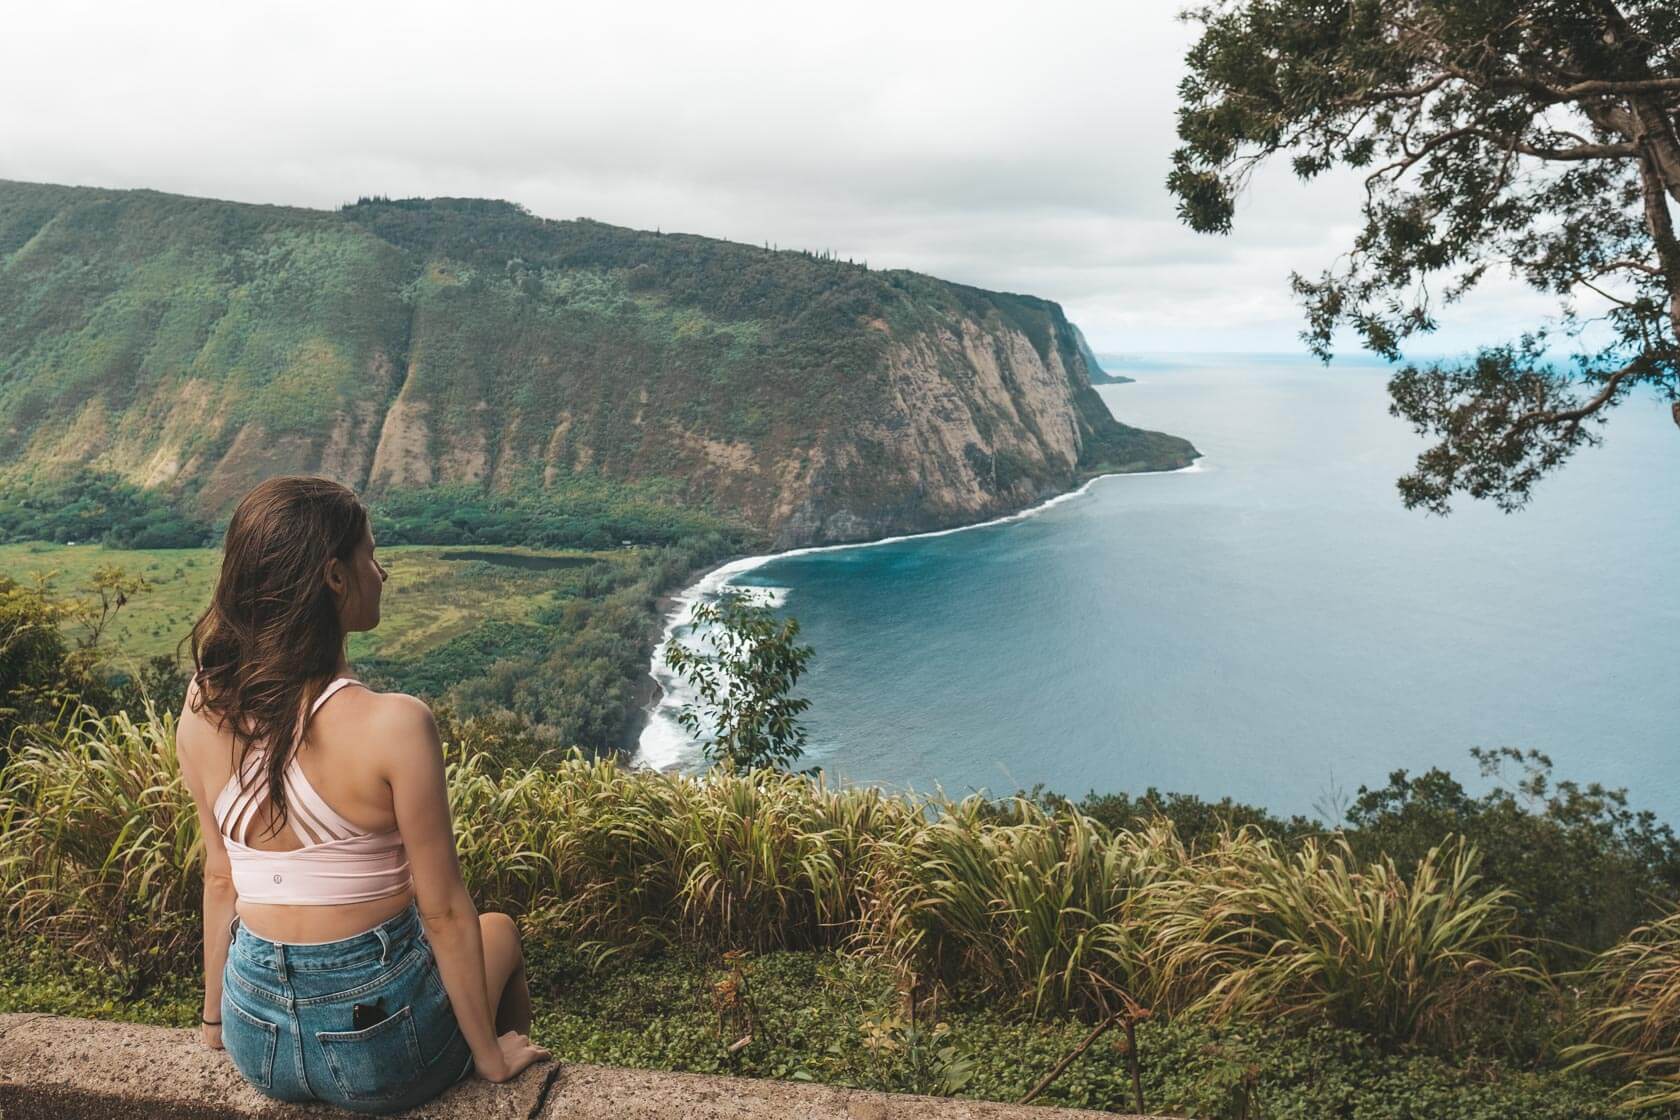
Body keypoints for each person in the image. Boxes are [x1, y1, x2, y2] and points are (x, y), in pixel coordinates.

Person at [174, 475, 549, 1114]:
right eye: (370, 555)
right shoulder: (394, 724)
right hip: (381, 1053)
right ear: (335, 577)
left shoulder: (203, 708)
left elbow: (219, 879)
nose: (382, 571)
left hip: (255, 1041)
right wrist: (489, 1060)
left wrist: (214, 1026)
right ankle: (498, 1065)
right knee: (500, 931)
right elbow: (444, 912)